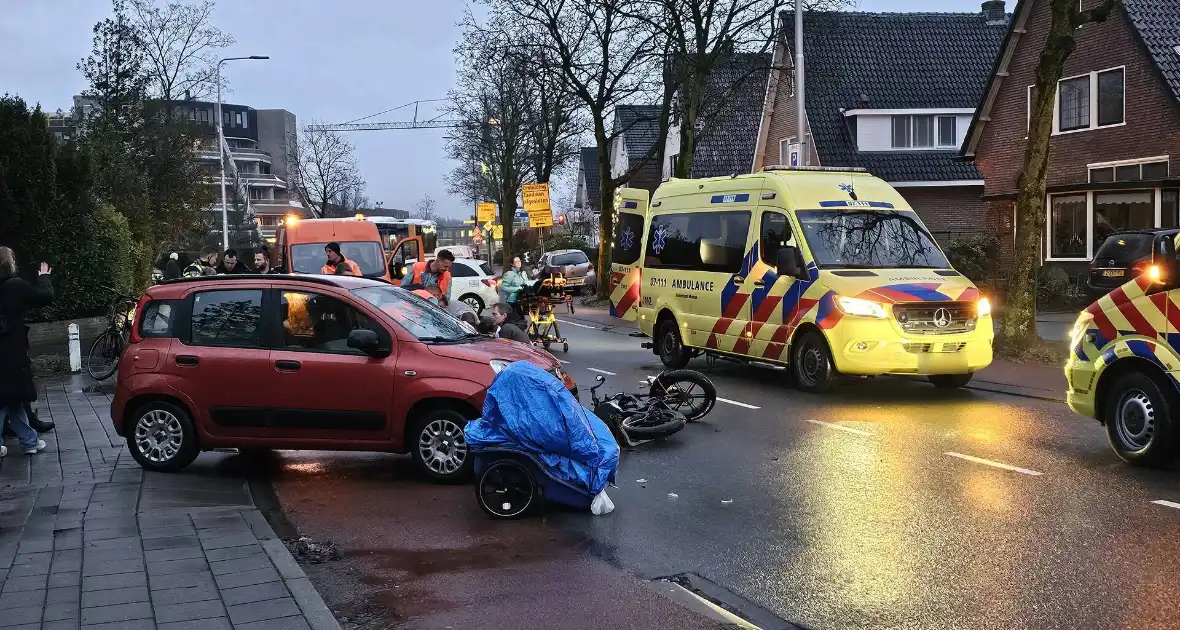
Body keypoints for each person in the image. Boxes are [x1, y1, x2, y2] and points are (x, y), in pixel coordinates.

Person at [0, 247, 52, 457]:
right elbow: (45, 297)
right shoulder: (16, 286)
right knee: (9, 398)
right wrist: (45, 277)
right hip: (12, 351)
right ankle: (30, 441)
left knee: (11, 398)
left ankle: (30, 440)